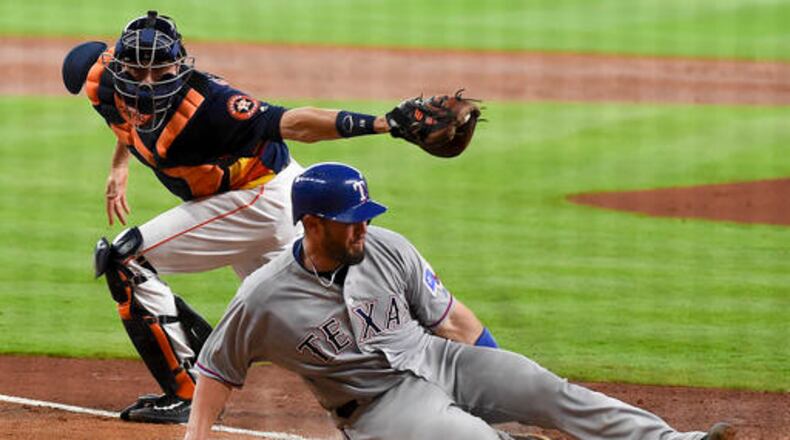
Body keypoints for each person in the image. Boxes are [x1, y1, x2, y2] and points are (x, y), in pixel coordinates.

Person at [185, 162, 737, 440]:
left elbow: (454, 322)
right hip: (378, 405)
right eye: (351, 222)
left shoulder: (387, 248)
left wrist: (494, 379)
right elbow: (216, 368)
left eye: (365, 219)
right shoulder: (263, 296)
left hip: (441, 361)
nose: (363, 231)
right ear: (310, 223)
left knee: (547, 390)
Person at [60, 10, 426, 424]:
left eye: (159, 71)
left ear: (179, 67)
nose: (146, 82)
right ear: (116, 65)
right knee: (308, 323)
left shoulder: (213, 107)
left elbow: (296, 123)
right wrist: (119, 165)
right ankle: (418, 387)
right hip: (243, 203)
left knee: (124, 259)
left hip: (261, 197)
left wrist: (382, 124)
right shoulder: (98, 79)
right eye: (136, 70)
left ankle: (187, 391)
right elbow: (128, 123)